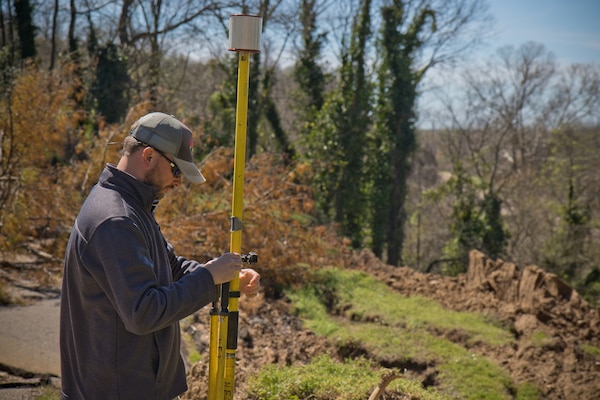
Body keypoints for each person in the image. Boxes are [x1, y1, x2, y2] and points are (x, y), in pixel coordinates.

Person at [60, 112, 260, 400]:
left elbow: (171, 268)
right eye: (177, 171)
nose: (179, 183)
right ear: (149, 155)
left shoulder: (132, 207)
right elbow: (144, 312)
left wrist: (227, 278)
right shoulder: (116, 219)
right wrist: (208, 277)